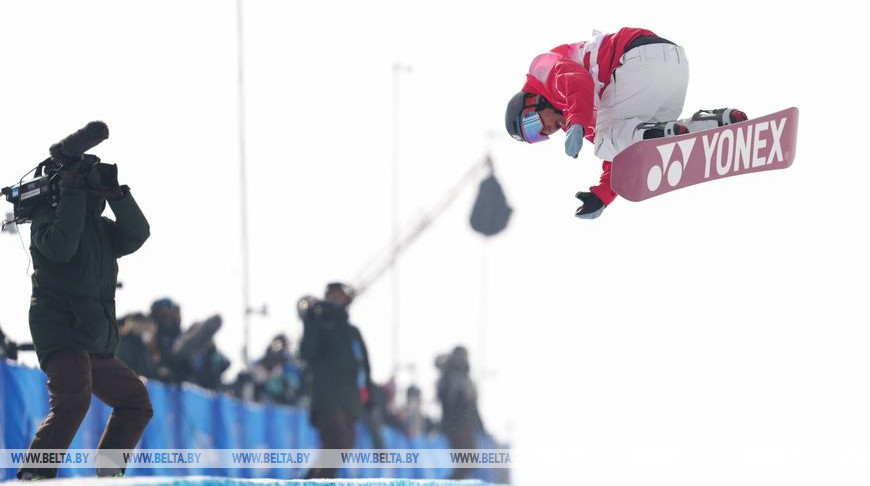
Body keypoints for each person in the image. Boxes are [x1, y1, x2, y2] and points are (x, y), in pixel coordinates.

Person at [505, 27, 747, 219]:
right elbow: (617, 149)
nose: (545, 132)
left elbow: (577, 80)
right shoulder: (576, 115)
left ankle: (659, 135)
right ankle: (718, 124)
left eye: (532, 126)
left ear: (531, 102)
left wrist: (577, 121)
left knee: (607, 141)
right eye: (537, 137)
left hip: (635, 59)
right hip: (673, 65)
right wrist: (603, 194)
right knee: (632, 136)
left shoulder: (543, 72)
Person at [19, 157, 152, 479]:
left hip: (92, 336)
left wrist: (119, 195)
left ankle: (109, 475)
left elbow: (137, 234)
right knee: (73, 402)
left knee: (134, 401)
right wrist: (73, 196)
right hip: (62, 329)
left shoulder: (100, 228)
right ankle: (33, 476)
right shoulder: (45, 217)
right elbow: (61, 248)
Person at [299, 282, 373, 479]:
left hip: (350, 401)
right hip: (327, 400)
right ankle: (314, 482)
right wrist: (310, 321)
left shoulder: (352, 332)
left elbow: (363, 366)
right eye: (332, 295)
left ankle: (311, 481)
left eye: (339, 296)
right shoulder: (319, 324)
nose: (335, 300)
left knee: (344, 446)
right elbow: (307, 353)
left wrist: (371, 397)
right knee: (336, 444)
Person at [437, 346, 485, 480]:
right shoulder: (454, 376)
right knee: (466, 464)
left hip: (462, 426)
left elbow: (472, 406)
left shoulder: (457, 376)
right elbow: (455, 403)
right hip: (459, 427)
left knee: (467, 463)